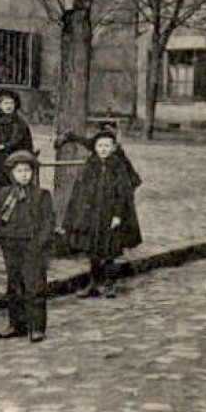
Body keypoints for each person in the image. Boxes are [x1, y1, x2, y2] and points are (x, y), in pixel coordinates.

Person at [61, 127, 143, 298]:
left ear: (113, 148)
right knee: (93, 250)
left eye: (107, 146)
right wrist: (81, 213)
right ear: (95, 148)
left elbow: (123, 193)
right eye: (100, 146)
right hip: (93, 215)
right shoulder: (90, 165)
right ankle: (93, 283)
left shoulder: (118, 167)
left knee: (110, 250)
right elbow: (81, 190)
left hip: (110, 214)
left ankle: (110, 284)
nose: (103, 149)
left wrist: (118, 215)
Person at [0, 150, 56, 343]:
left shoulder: (41, 195)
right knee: (14, 286)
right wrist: (1, 238)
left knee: (34, 286)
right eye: (19, 171)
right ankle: (16, 324)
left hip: (33, 247)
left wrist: (39, 244)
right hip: (12, 246)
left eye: (27, 171)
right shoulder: (5, 194)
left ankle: (37, 326)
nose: (24, 175)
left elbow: (48, 222)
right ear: (12, 173)